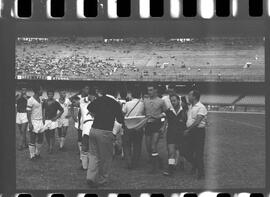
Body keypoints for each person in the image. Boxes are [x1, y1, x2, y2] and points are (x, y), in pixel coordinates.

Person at [86, 86, 124, 188]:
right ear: (115, 94)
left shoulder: (99, 100)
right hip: (105, 132)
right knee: (106, 157)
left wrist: (95, 115)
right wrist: (114, 132)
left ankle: (91, 177)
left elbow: (89, 108)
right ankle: (103, 179)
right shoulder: (115, 103)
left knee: (94, 155)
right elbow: (120, 119)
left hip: (93, 130)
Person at [184, 90, 208, 180]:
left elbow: (197, 122)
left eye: (189, 95)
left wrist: (188, 130)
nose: (188, 96)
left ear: (194, 97)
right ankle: (195, 165)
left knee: (198, 153)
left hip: (198, 132)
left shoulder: (201, 107)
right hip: (191, 132)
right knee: (186, 152)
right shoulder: (190, 106)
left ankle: (201, 173)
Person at [162, 94, 188, 176]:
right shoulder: (169, 111)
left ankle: (182, 163)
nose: (173, 102)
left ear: (178, 101)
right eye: (171, 101)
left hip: (181, 134)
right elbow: (165, 120)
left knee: (182, 152)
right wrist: (163, 127)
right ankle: (171, 168)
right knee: (171, 152)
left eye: (174, 100)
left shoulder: (184, 111)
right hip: (171, 134)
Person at [144, 84, 167, 173]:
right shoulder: (145, 101)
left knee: (153, 147)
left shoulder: (161, 101)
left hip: (157, 125)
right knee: (148, 148)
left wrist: (162, 124)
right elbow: (143, 113)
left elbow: (166, 114)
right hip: (148, 125)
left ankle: (154, 168)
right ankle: (159, 160)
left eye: (151, 90)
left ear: (155, 91)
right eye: (148, 90)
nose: (149, 92)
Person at [122, 90, 144, 169]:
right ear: (140, 95)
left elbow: (123, 113)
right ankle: (135, 162)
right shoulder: (142, 104)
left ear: (131, 95)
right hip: (138, 127)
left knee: (127, 145)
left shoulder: (127, 104)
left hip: (128, 126)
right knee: (137, 145)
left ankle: (128, 161)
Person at [42, 90, 64, 154]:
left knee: (52, 134)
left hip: (53, 120)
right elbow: (43, 110)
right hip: (46, 120)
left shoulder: (55, 102)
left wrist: (56, 117)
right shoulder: (45, 102)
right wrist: (43, 118)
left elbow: (62, 110)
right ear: (47, 95)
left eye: (51, 94)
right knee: (46, 134)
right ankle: (49, 145)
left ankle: (51, 147)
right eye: (49, 94)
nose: (50, 95)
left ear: (53, 95)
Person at [26, 86, 44, 160]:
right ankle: (32, 156)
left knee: (41, 139)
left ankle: (37, 154)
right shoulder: (30, 100)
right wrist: (30, 123)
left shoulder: (40, 98)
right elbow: (28, 112)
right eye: (41, 90)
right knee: (32, 139)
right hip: (33, 121)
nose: (42, 91)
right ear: (37, 91)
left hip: (40, 121)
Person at [80, 93, 95, 170]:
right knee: (85, 145)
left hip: (95, 124)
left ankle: (90, 165)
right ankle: (84, 166)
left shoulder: (97, 103)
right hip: (86, 124)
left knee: (92, 146)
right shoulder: (82, 102)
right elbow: (85, 99)